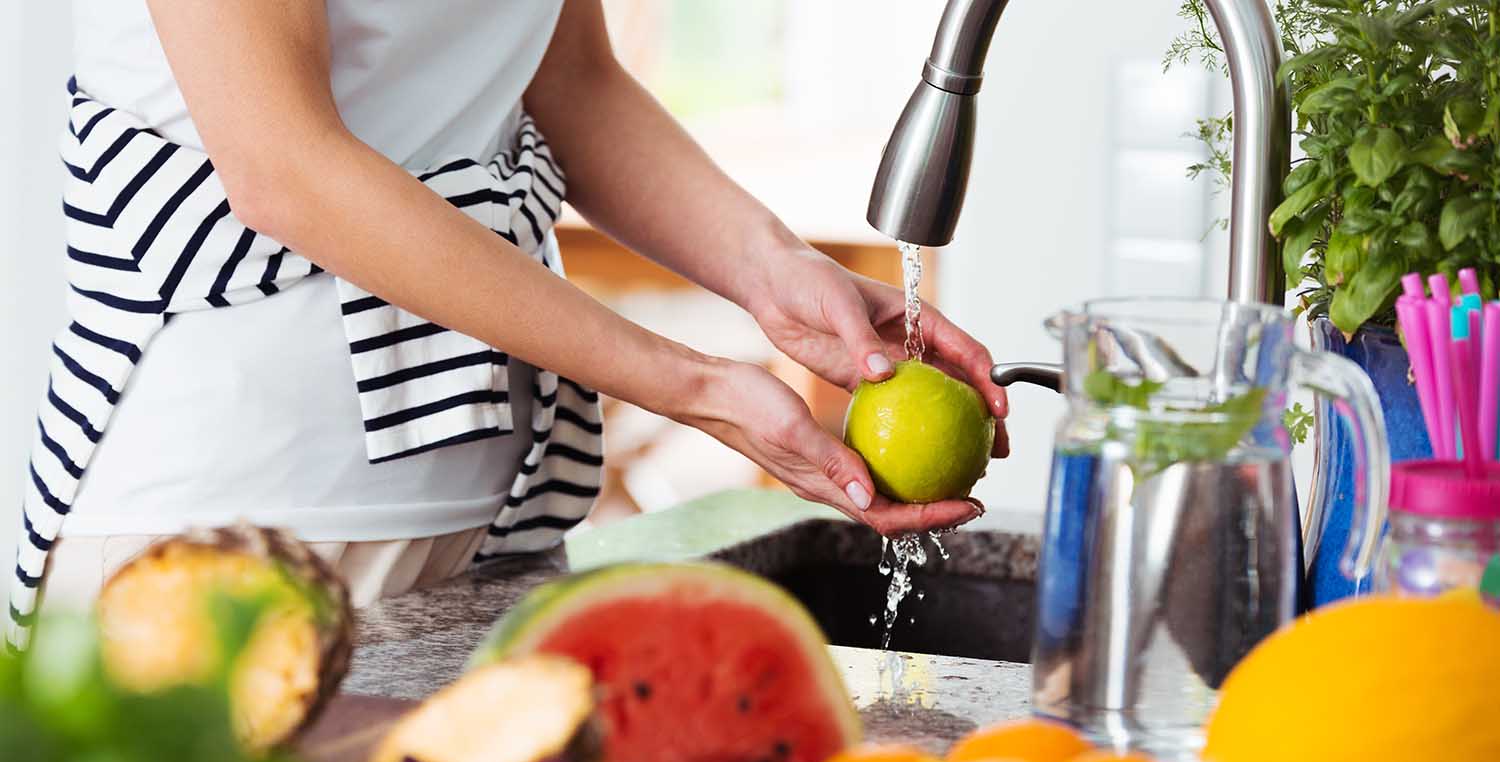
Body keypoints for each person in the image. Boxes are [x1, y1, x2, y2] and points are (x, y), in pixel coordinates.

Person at [9, 0, 1009, 648]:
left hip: (492, 529)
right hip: (232, 534)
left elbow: (573, 82)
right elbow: (285, 167)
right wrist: (693, 385)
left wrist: (777, 270)